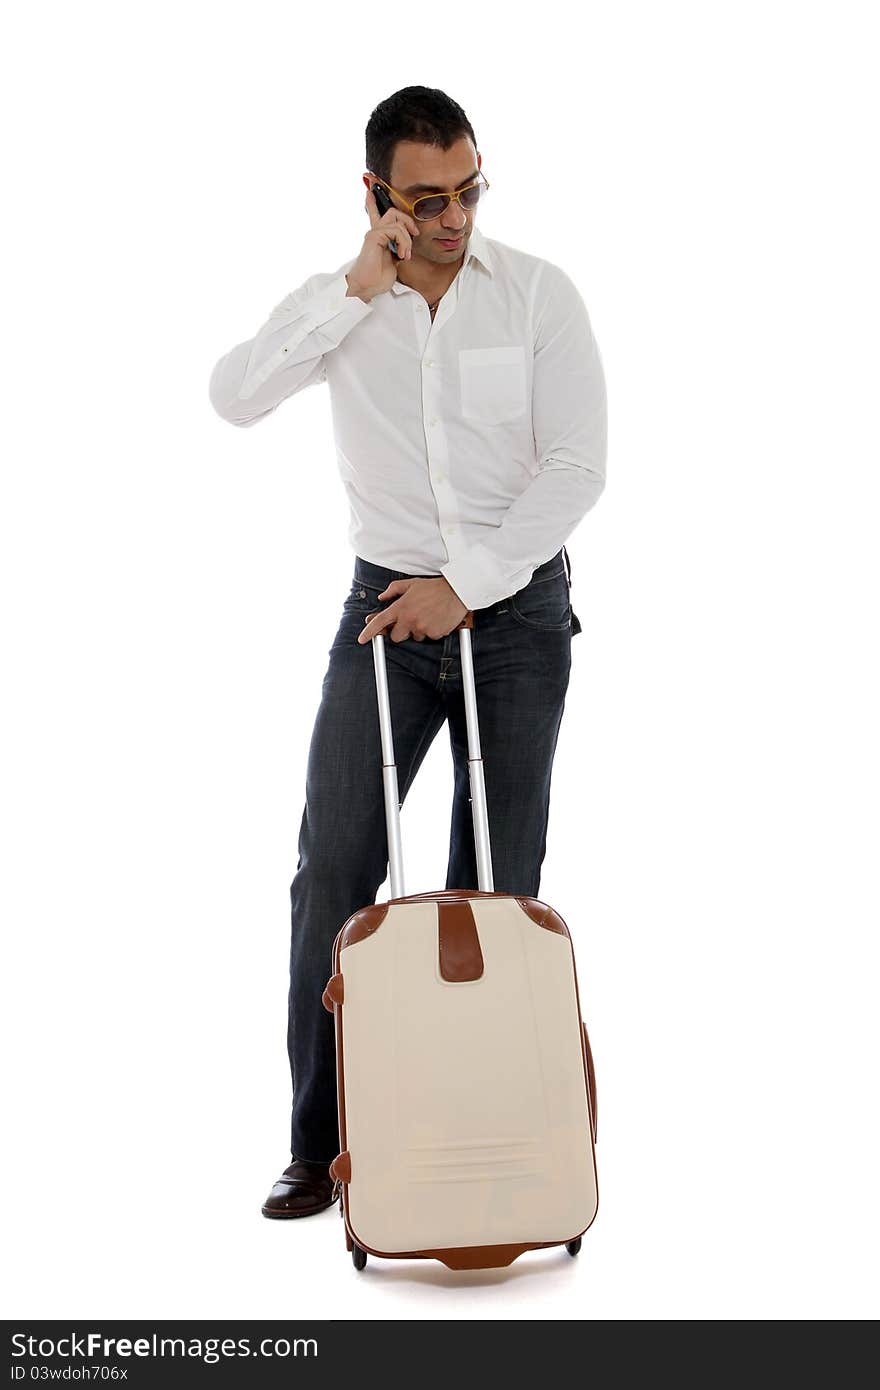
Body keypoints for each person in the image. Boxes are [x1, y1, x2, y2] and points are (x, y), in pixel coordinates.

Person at [208, 85, 608, 1220]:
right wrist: (350, 289)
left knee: (494, 889)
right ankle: (321, 1145)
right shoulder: (347, 302)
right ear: (376, 193)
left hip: (517, 617)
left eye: (470, 189)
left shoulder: (537, 295)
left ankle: (476, 1135)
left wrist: (465, 586)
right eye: (428, 197)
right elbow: (233, 397)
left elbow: (576, 469)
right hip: (383, 613)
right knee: (331, 874)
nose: (453, 216)